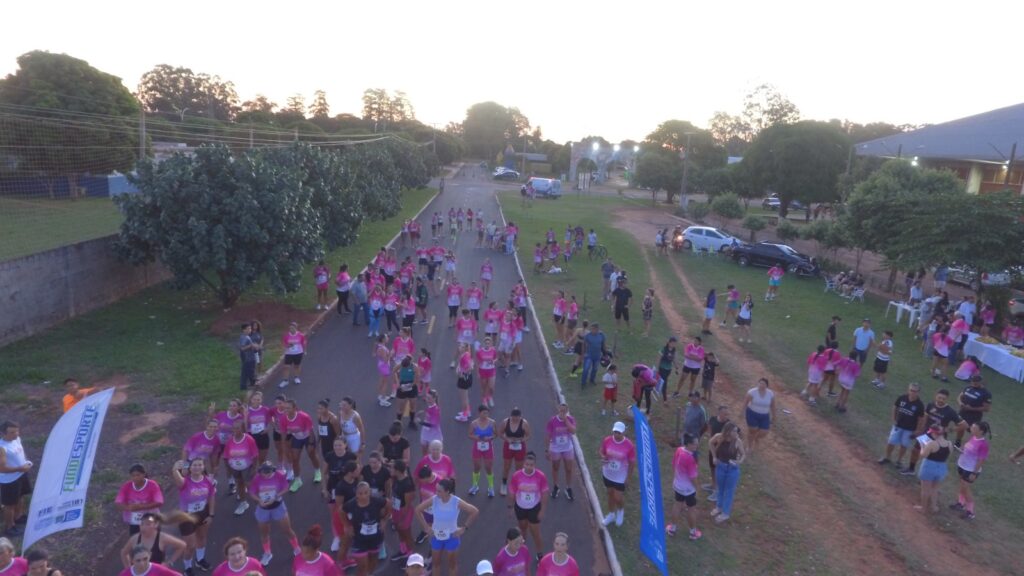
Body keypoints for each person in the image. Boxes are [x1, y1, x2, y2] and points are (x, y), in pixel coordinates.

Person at [415, 478, 480, 576]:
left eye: (439, 491)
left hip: (451, 537)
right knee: (436, 564)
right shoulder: (434, 499)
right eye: (436, 490)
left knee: (452, 565)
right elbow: (418, 509)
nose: (436, 493)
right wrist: (426, 527)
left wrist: (464, 528)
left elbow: (474, 511)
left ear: (447, 491)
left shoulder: (456, 501)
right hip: (436, 536)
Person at [248, 462, 300, 566]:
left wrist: (276, 496)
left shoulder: (279, 475)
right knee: (264, 533)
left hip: (278, 506)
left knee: (287, 530)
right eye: (264, 473)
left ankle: (297, 549)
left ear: (273, 470)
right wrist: (259, 500)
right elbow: (252, 492)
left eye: (269, 472)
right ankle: (267, 553)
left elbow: (285, 487)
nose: (266, 475)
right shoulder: (257, 478)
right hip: (263, 509)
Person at [170, 459, 215, 575]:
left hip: (203, 513)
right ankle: (188, 567)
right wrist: (175, 469)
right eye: (194, 465)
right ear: (190, 468)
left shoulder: (208, 481)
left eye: (200, 465)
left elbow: (211, 497)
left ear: (203, 467)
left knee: (202, 537)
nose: (197, 467)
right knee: (190, 545)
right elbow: (177, 477)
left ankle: (200, 559)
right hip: (186, 516)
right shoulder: (185, 482)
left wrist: (211, 514)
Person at [906, 389, 962, 475]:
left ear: (947, 399)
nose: (941, 400)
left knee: (931, 458)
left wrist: (947, 430)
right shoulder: (930, 405)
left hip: (938, 438)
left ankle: (927, 476)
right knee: (915, 450)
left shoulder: (950, 411)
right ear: (936, 396)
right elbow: (925, 418)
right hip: (927, 434)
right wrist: (920, 431)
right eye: (939, 398)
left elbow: (964, 425)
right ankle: (911, 469)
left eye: (943, 399)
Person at [508, 452, 548, 561]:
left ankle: (540, 554)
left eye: (531, 465)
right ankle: (521, 550)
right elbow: (512, 492)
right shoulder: (517, 476)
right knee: (522, 529)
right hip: (520, 507)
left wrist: (542, 510)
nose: (529, 467)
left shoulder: (540, 476)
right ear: (523, 464)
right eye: (527, 464)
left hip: (534, 508)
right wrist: (510, 507)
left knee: (535, 532)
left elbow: (545, 493)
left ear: (535, 465)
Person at [878, 382, 926, 473]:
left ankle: (899, 461)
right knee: (891, 441)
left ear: (918, 392)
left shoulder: (920, 405)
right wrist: (893, 419)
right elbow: (895, 407)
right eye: (911, 390)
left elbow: (921, 419)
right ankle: (887, 457)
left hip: (909, 429)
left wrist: (917, 430)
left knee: (904, 445)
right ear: (908, 390)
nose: (913, 393)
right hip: (898, 425)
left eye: (915, 391)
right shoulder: (902, 398)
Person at [343, 482, 390, 576]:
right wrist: (347, 526)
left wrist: (384, 520)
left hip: (375, 537)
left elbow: (388, 503)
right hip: (359, 539)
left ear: (370, 492)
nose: (363, 496)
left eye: (366, 492)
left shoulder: (376, 501)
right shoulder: (351, 504)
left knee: (373, 560)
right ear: (356, 494)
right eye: (360, 493)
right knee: (362, 566)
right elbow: (342, 511)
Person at [321, 437, 357, 554]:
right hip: (333, 489)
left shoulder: (351, 456)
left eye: (340, 445)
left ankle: (352, 535)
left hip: (348, 489)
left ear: (345, 445)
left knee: (351, 513)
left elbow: (357, 472)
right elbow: (324, 473)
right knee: (335, 514)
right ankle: (337, 537)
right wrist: (324, 489)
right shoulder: (329, 456)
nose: (337, 447)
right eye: (335, 445)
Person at [599, 421, 636, 527]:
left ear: (623, 432)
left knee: (618, 497)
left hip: (620, 476)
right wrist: (603, 457)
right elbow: (601, 451)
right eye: (615, 432)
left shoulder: (629, 445)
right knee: (610, 494)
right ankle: (611, 514)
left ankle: (620, 511)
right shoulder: (607, 440)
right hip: (608, 473)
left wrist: (628, 477)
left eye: (619, 433)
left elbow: (632, 462)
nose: (616, 434)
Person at [708, 422, 746, 523]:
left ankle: (725, 513)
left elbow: (743, 454)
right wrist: (714, 457)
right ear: (728, 431)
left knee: (729, 492)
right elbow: (710, 443)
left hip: (732, 469)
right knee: (720, 489)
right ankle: (719, 507)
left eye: (736, 431)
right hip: (720, 467)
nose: (736, 433)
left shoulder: (737, 441)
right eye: (734, 431)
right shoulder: (719, 437)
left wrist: (739, 462)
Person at [119, 513, 186, 569]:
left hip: (157, 572)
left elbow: (182, 545)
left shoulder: (162, 538)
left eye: (148, 524)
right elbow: (124, 553)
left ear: (155, 525)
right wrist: (129, 569)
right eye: (142, 524)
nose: (144, 527)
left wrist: (169, 562)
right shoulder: (135, 538)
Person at [667, 432, 702, 540]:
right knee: (691, 509)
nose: (697, 446)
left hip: (678, 485)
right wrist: (697, 488)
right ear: (688, 444)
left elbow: (674, 464)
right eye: (695, 444)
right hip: (688, 489)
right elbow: (692, 477)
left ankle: (672, 529)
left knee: (677, 505)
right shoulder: (690, 458)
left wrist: (676, 478)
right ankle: (693, 533)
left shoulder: (679, 450)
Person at [952, 422, 990, 520]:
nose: (971, 428)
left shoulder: (983, 444)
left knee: (966, 489)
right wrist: (961, 449)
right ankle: (960, 503)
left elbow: (981, 460)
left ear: (981, 431)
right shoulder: (973, 437)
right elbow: (967, 447)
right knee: (962, 486)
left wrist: (974, 473)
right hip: (962, 465)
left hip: (970, 469)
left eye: (974, 427)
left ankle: (970, 512)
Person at [115, 464, 165, 536]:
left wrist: (141, 507)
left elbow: (159, 502)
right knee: (135, 540)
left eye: (138, 475)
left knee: (153, 539)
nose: (135, 478)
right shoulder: (127, 486)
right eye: (133, 476)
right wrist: (128, 508)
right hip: (135, 521)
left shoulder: (152, 485)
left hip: (151, 517)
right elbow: (118, 502)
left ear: (144, 474)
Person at [915, 425, 952, 513]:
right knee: (935, 488)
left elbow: (923, 455)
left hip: (929, 467)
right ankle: (934, 507)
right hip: (941, 467)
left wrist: (922, 446)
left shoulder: (931, 444)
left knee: (925, 489)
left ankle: (923, 508)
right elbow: (948, 455)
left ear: (934, 433)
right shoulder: (949, 443)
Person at [546, 403, 576, 501]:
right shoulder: (552, 421)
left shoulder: (570, 419)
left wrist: (566, 420)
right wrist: (547, 450)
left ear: (567, 411)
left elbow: (573, 431)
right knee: (555, 467)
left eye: (564, 411)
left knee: (569, 469)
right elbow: (548, 435)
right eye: (561, 410)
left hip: (567, 448)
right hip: (555, 448)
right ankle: (556, 486)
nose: (562, 412)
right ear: (558, 410)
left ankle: (568, 488)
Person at [499, 408, 531, 496]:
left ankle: (517, 484)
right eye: (514, 418)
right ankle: (504, 484)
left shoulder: (524, 423)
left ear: (520, 417)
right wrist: (507, 439)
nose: (515, 419)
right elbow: (500, 433)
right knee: (506, 466)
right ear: (511, 416)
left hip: (520, 446)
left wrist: (522, 440)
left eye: (517, 418)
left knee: (519, 468)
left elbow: (528, 435)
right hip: (508, 446)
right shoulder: (505, 422)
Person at [955, 376, 992, 448]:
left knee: (973, 431)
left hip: (974, 416)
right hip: (963, 412)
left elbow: (986, 408)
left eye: (976, 382)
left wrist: (971, 408)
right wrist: (960, 403)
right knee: (961, 427)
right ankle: (957, 442)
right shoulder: (968, 388)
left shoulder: (986, 393)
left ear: (981, 382)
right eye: (973, 381)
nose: (974, 383)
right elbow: (959, 397)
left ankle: (972, 445)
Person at [703, 405, 730, 502]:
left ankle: (717, 491)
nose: (726, 416)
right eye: (724, 414)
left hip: (722, 451)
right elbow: (709, 427)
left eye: (727, 414)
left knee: (719, 471)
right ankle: (713, 485)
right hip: (712, 447)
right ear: (719, 413)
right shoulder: (713, 419)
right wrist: (710, 437)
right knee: (712, 467)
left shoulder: (728, 424)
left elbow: (737, 433)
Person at [468, 406, 497, 497]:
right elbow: (469, 434)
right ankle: (475, 485)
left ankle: (491, 487)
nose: (486, 415)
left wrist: (489, 438)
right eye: (484, 413)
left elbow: (496, 434)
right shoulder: (474, 424)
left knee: (488, 468)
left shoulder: (492, 423)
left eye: (487, 413)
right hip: (477, 447)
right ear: (479, 413)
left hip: (488, 448)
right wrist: (476, 437)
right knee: (477, 467)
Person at [744, 378, 775, 455]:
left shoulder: (770, 394)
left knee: (764, 432)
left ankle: (755, 438)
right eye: (760, 383)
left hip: (764, 415)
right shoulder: (752, 392)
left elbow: (772, 405)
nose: (761, 385)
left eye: (763, 384)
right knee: (752, 430)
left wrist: (774, 416)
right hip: (752, 413)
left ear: (767, 385)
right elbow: (746, 402)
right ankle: (749, 446)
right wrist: (742, 411)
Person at [580, 323, 607, 388]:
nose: (592, 330)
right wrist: (583, 354)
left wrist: (605, 353)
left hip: (597, 355)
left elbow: (603, 344)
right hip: (589, 355)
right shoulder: (587, 335)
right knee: (586, 369)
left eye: (594, 329)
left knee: (595, 368)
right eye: (591, 329)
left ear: (597, 329)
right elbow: (583, 344)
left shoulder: (601, 335)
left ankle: (592, 380)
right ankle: (583, 382)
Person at [238, 323, 258, 390]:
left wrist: (254, 346)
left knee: (248, 371)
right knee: (246, 372)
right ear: (244, 330)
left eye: (250, 328)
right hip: (248, 358)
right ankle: (244, 386)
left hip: (250, 357)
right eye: (248, 329)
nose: (250, 330)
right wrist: (251, 345)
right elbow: (242, 348)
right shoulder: (244, 337)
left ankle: (252, 383)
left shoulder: (247, 336)